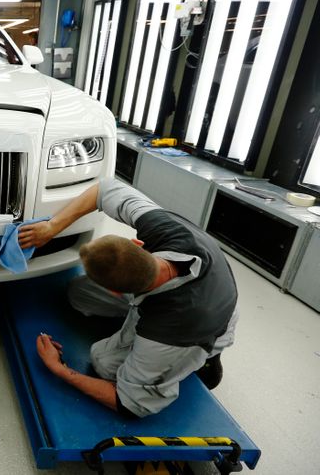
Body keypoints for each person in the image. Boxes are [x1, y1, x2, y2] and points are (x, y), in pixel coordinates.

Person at [18, 179, 238, 418]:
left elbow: (128, 404)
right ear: (137, 244)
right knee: (79, 294)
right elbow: (103, 190)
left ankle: (206, 359)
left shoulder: (169, 329)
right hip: (189, 292)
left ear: (115, 292)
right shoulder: (162, 227)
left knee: (102, 360)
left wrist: (59, 369)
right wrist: (51, 227)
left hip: (201, 327)